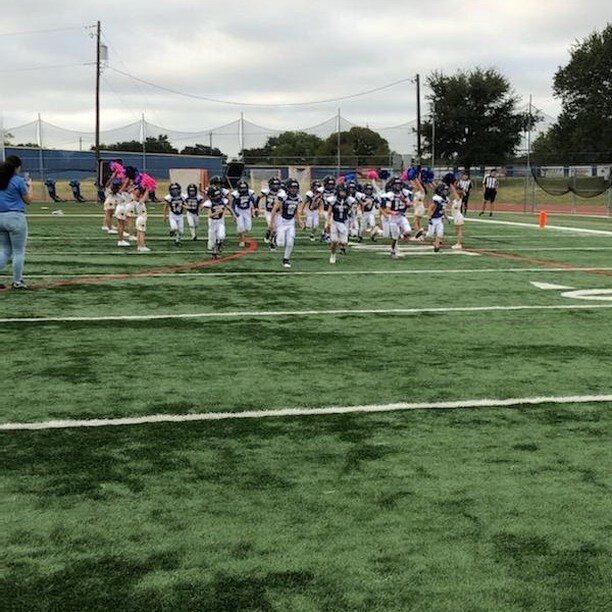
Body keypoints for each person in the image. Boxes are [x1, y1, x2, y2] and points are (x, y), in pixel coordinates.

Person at [0, 156, 33, 289]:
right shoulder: (18, 181)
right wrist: (31, 187)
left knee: (5, 251)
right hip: (15, 218)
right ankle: (17, 281)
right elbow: (28, 200)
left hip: (0, 217)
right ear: (16, 167)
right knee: (18, 251)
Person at [268, 179, 304, 268]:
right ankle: (275, 238)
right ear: (287, 188)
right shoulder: (283, 196)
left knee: (290, 242)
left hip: (290, 221)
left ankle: (286, 259)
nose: (294, 189)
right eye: (292, 187)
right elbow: (274, 210)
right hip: (281, 220)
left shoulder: (298, 198)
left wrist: (299, 221)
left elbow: (295, 211)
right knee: (280, 243)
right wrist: (271, 223)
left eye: (295, 188)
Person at [325, 184, 353, 264]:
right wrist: (328, 222)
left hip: (344, 223)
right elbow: (329, 212)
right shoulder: (333, 200)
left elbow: (351, 212)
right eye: (341, 192)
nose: (343, 193)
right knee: (334, 240)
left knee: (344, 242)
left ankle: (337, 247)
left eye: (344, 192)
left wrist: (352, 222)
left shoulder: (349, 200)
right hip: (335, 222)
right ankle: (333, 255)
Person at [232, 179, 255, 247]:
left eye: (244, 188)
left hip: (247, 210)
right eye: (241, 188)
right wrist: (235, 214)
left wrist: (255, 209)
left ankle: (241, 235)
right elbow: (233, 205)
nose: (243, 190)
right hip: (239, 210)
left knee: (248, 228)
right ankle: (242, 240)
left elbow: (253, 200)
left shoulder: (250, 193)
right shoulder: (236, 194)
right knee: (241, 227)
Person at [426, 183, 448, 252]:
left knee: (440, 232)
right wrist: (429, 217)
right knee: (430, 234)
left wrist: (445, 216)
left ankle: (437, 246)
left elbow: (443, 208)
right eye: (444, 190)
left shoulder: (445, 199)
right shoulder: (437, 199)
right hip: (433, 219)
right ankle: (422, 232)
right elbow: (430, 208)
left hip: (440, 218)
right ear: (440, 191)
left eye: (446, 190)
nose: (446, 192)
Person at [133, 186, 151, 253]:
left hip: (139, 218)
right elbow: (145, 197)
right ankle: (142, 246)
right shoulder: (140, 201)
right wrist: (147, 189)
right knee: (142, 233)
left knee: (139, 233)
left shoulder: (136, 200)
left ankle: (139, 246)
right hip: (141, 219)